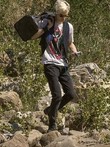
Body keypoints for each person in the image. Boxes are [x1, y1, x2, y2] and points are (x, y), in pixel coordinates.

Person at [31, 0, 80, 132]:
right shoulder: (47, 22)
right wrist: (46, 28)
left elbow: (70, 43)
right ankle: (52, 125)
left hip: (62, 64)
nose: (63, 18)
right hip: (49, 62)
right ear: (56, 13)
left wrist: (74, 51)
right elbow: (33, 36)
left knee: (70, 94)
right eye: (61, 15)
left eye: (65, 16)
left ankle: (50, 110)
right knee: (57, 95)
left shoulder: (68, 27)